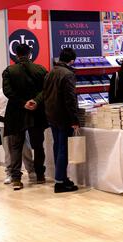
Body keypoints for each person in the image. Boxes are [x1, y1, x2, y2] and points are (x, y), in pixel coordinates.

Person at [2, 44, 48, 191]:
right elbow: (46, 89)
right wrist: (36, 101)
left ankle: (16, 179)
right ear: (30, 54)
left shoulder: (9, 71)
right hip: (37, 111)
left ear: (16, 55)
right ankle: (40, 175)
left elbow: (7, 92)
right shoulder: (41, 69)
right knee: (38, 145)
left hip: (16, 112)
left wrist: (23, 103)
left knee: (16, 146)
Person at [43, 48, 80, 193]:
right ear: (71, 60)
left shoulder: (50, 72)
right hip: (64, 117)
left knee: (57, 146)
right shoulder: (68, 74)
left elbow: (45, 94)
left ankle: (62, 177)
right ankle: (60, 181)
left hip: (52, 115)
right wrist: (75, 119)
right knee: (63, 148)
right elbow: (70, 99)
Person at [0, 88, 35, 184]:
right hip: (4, 125)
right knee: (8, 151)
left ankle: (31, 171)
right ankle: (9, 173)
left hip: (20, 124)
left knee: (26, 149)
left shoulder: (20, 92)